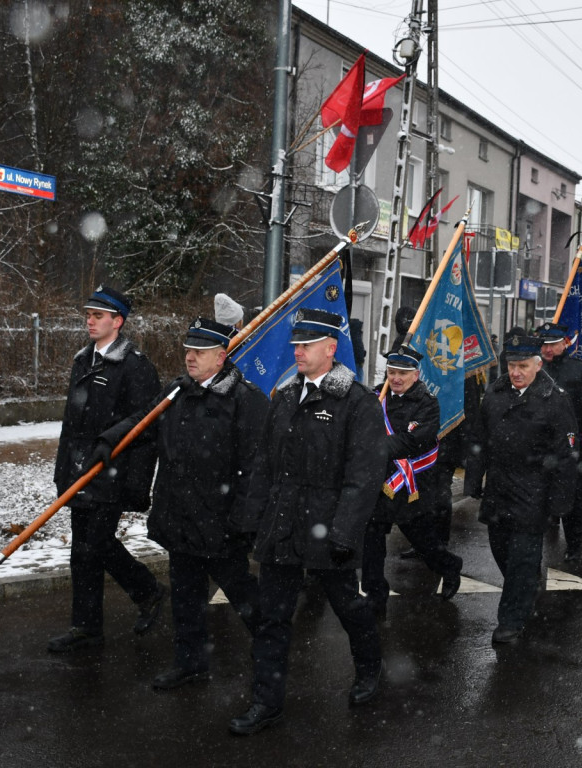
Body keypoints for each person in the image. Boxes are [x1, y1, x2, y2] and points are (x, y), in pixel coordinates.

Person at [230, 308, 386, 736]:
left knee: (349, 608)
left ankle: (370, 667)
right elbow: (264, 463)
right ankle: (266, 700)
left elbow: (364, 476)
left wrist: (343, 533)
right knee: (272, 618)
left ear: (330, 349)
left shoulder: (357, 403)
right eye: (296, 344)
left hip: (328, 530)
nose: (297, 351)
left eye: (306, 345)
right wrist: (252, 518)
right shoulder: (284, 397)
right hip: (282, 527)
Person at [95, 318, 268, 688]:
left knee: (243, 594)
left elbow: (256, 466)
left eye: (199, 352)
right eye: (188, 350)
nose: (190, 357)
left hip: (221, 522)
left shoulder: (245, 400)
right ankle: (190, 662)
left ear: (221, 357)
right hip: (180, 515)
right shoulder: (177, 391)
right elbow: (144, 421)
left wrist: (243, 520)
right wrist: (111, 438)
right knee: (186, 596)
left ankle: (273, 652)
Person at [48, 286, 164, 653]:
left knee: (94, 545)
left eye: (98, 315)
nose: (90, 320)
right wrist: (62, 471)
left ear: (118, 321)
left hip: (112, 470)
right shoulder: (83, 360)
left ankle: (148, 591)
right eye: (88, 314)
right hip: (80, 470)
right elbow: (71, 423)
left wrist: (110, 441)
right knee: (83, 550)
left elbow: (146, 418)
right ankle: (86, 628)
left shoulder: (135, 365)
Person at [464, 332, 578, 644]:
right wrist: (474, 480)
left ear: (538, 365)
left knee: (521, 560)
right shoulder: (496, 394)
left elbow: (566, 456)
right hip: (499, 490)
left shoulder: (555, 400)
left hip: (534, 493)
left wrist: (558, 503)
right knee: (502, 553)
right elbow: (479, 440)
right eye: (512, 365)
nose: (516, 372)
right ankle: (527, 588)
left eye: (523, 366)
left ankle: (510, 623)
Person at [361, 347, 463, 618]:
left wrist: (374, 445)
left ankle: (450, 566)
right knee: (371, 547)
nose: (396, 378)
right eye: (392, 372)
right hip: (378, 484)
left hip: (410, 486)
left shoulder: (427, 403)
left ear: (416, 375)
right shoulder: (374, 397)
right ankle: (375, 600)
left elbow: (414, 441)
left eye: (403, 373)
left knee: (424, 543)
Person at [536, 321, 582, 561]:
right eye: (544, 345)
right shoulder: (534, 368)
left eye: (553, 344)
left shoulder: (580, 369)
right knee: (539, 498)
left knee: (573, 501)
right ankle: (538, 542)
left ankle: (573, 546)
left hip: (572, 447)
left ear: (564, 343)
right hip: (541, 448)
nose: (547, 350)